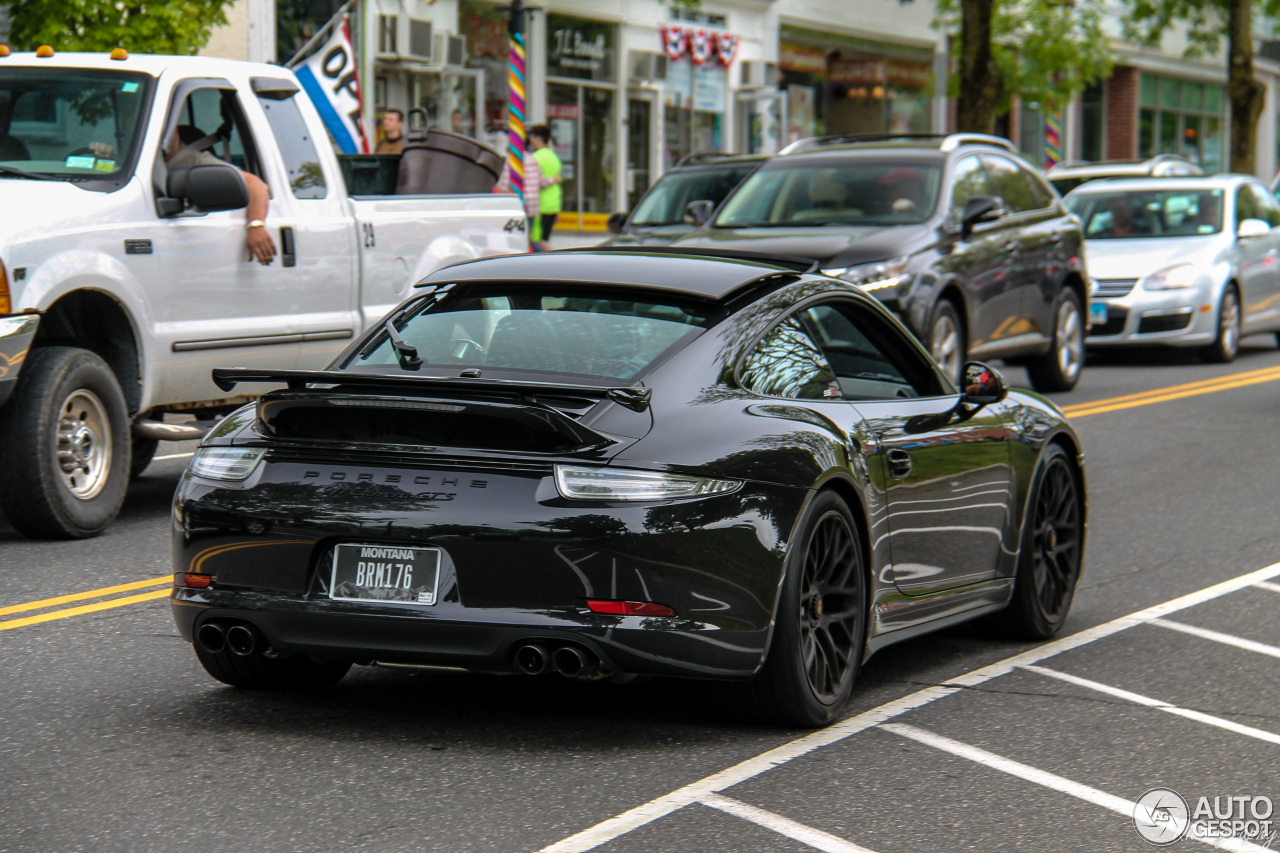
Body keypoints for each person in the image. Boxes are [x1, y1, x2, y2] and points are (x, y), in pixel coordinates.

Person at [162, 126, 276, 265]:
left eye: (165, 129)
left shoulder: (196, 162)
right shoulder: (136, 165)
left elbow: (255, 185)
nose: (161, 134)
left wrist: (256, 225)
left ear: (176, 132)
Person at [493, 147, 545, 250]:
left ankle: (540, 253)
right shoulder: (533, 159)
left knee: (519, 237)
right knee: (528, 235)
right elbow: (541, 180)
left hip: (517, 202)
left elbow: (504, 185)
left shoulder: (512, 161)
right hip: (532, 203)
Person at [528, 124, 562, 251]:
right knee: (544, 239)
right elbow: (557, 179)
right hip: (553, 203)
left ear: (538, 138)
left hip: (540, 205)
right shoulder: (554, 157)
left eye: (532, 137)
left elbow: (535, 181)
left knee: (537, 241)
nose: (530, 140)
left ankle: (554, 259)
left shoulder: (535, 157)